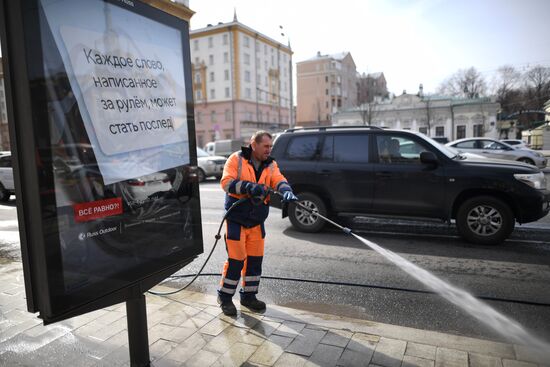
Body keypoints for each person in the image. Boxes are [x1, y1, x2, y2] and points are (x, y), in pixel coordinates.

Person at [218, 131, 298, 316]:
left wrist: (286, 190)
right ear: (254, 145)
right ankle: (225, 298)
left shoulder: (271, 165)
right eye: (266, 146)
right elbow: (226, 183)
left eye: (270, 147)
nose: (269, 150)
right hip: (236, 220)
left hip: (256, 222)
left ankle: (249, 297)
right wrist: (249, 187)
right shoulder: (236, 160)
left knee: (254, 262)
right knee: (236, 262)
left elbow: (278, 179)